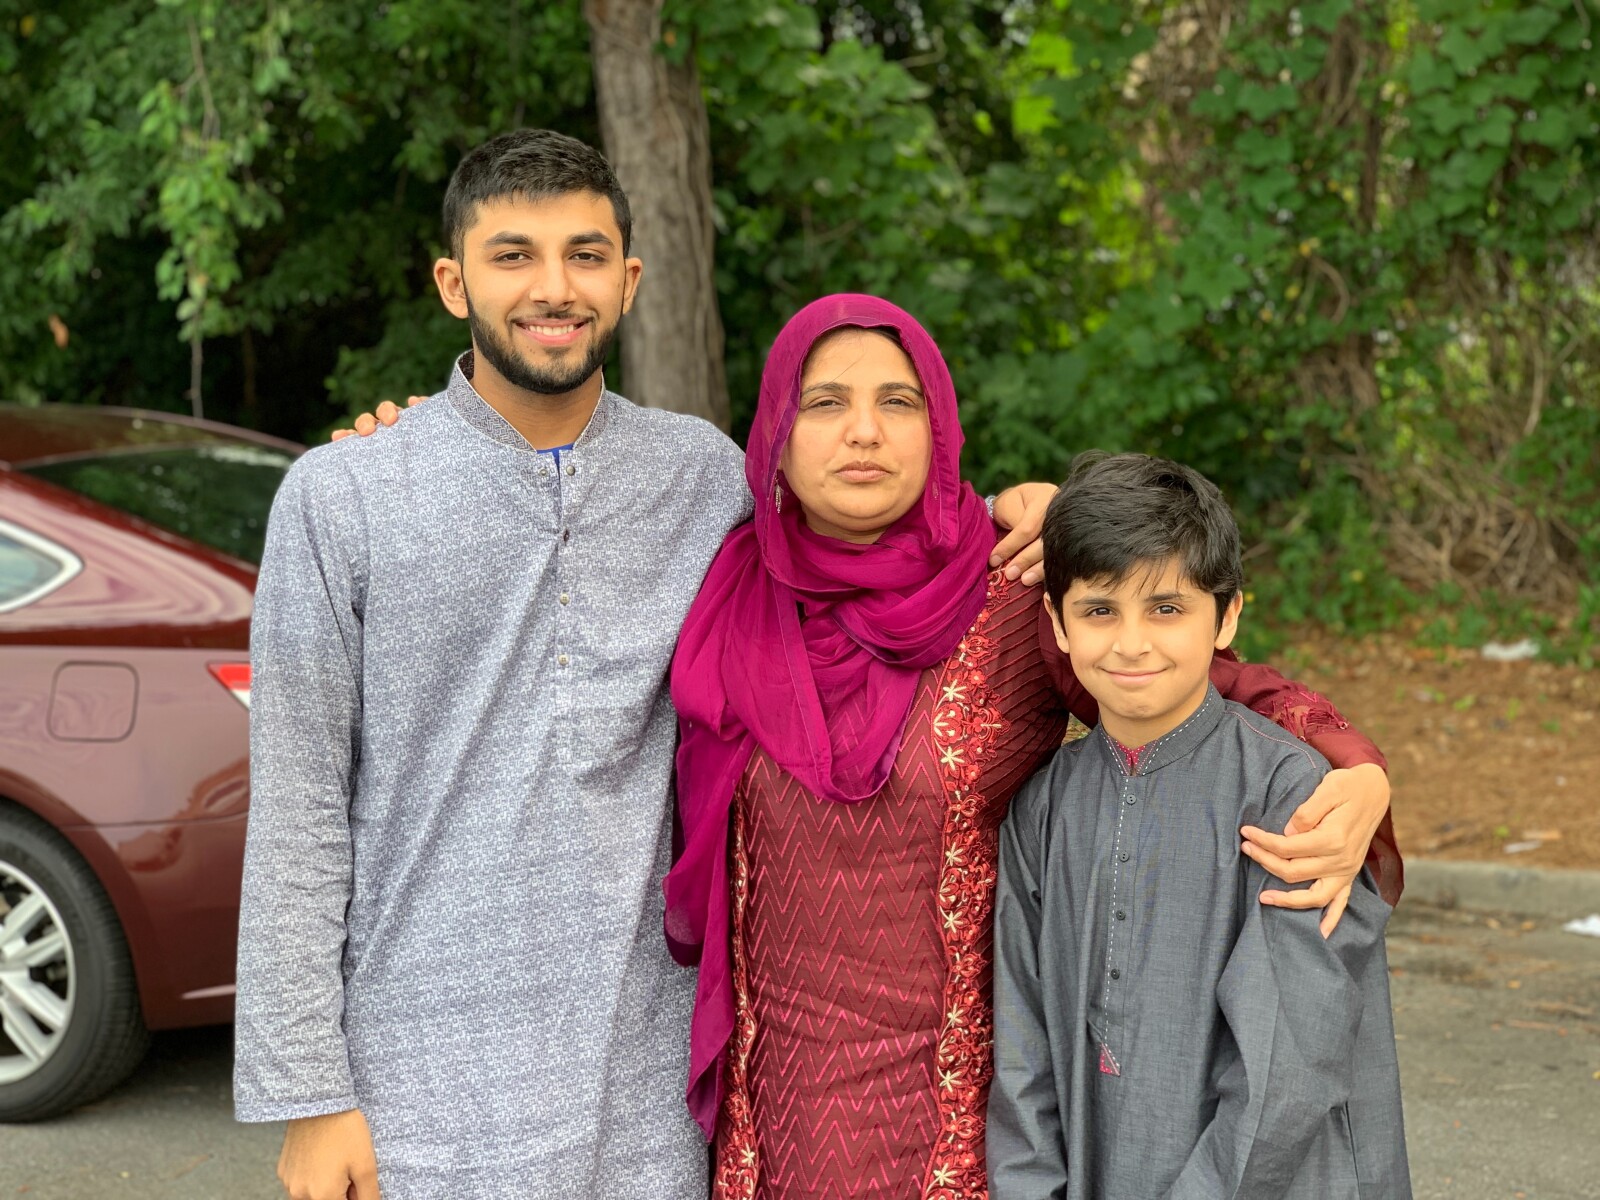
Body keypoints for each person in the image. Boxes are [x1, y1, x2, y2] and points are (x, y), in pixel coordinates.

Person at [239, 132, 1052, 1200]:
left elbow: (867, 518)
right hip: (420, 1089)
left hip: (646, 1099)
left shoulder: (699, 476)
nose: (553, 288)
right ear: (453, 283)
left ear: (626, 281)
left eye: (584, 255)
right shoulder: (343, 499)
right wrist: (312, 1096)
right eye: (513, 255)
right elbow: (297, 812)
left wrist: (1030, 513)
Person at [663, 295, 1403, 1199]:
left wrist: (1357, 768)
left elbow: (1186, 684)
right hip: (773, 1116)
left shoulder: (1011, 586)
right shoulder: (724, 589)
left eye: (898, 402)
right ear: (775, 432)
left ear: (940, 428)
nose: (863, 432)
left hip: (976, 1130)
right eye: (824, 403)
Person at [986, 452, 1410, 1199]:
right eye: (1099, 610)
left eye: (1166, 609)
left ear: (1227, 616)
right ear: (1057, 622)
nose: (1131, 643)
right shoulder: (1043, 808)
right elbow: (1022, 1056)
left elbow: (1285, 1072)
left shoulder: (1291, 797)